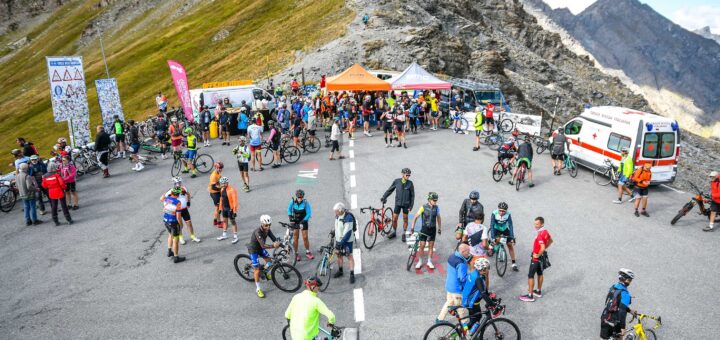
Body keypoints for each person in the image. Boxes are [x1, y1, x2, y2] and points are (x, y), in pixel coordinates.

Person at [462, 258, 502, 335]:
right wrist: (492, 304)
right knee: (474, 320)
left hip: (470, 300)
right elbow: (483, 293)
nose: (488, 270)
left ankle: (469, 333)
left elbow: (484, 290)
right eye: (487, 268)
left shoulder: (476, 273)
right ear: (483, 269)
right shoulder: (478, 279)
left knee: (477, 318)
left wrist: (491, 299)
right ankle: (463, 332)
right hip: (470, 302)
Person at [520, 217, 552, 302]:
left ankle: (530, 296)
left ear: (542, 224)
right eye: (535, 224)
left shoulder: (540, 235)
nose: (535, 226)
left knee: (530, 276)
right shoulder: (545, 231)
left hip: (536, 258)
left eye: (537, 224)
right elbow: (551, 240)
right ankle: (538, 291)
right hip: (542, 258)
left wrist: (537, 254)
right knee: (540, 273)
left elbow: (542, 247)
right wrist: (543, 250)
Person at [437, 243, 471, 323]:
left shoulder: (452, 256)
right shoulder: (461, 263)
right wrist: (470, 277)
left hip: (449, 285)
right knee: (460, 307)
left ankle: (439, 319)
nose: (469, 253)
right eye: (468, 251)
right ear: (462, 251)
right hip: (456, 289)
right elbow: (462, 278)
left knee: (449, 302)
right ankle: (465, 325)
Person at [248, 214, 280, 298]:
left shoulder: (267, 230)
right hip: (254, 250)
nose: (268, 227)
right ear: (262, 224)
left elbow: (274, 239)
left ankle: (264, 273)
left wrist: (282, 245)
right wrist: (274, 246)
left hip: (260, 249)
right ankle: (258, 289)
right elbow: (263, 245)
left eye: (269, 225)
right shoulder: (257, 232)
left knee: (269, 262)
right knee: (257, 270)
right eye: (266, 225)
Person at [600, 269, 637, 340]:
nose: (630, 282)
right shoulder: (625, 294)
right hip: (615, 321)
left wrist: (630, 311)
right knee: (619, 338)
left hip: (605, 317)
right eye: (629, 280)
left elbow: (616, 303)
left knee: (603, 338)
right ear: (624, 279)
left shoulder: (614, 286)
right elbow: (622, 311)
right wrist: (623, 328)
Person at [162, 177, 200, 244]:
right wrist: (170, 205)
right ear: (174, 184)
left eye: (180, 182)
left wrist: (188, 202)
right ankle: (181, 237)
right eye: (177, 183)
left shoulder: (184, 188)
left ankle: (193, 236)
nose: (179, 184)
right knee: (179, 225)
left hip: (184, 209)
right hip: (176, 211)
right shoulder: (171, 191)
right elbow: (162, 198)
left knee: (189, 223)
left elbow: (188, 195)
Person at [381, 168, 415, 242]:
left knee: (405, 219)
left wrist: (411, 206)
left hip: (406, 205)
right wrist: (384, 197)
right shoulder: (397, 181)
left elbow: (412, 196)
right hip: (398, 204)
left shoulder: (410, 183)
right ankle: (394, 232)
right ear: (402, 174)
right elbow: (390, 190)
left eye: (409, 175)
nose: (408, 176)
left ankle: (404, 233)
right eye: (407, 175)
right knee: (395, 218)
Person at [410, 192, 442, 269]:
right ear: (429, 200)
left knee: (431, 246)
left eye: (436, 200)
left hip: (432, 230)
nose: (435, 201)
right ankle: (420, 262)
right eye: (434, 200)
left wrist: (440, 228)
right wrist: (412, 227)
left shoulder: (437, 208)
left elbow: (438, 218)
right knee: (422, 246)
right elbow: (415, 217)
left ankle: (429, 262)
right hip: (424, 229)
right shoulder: (423, 207)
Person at [332, 202, 356, 284]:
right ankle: (340, 271)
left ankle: (352, 274)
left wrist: (340, 243)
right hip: (339, 240)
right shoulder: (337, 216)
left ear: (340, 210)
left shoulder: (348, 218)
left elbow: (347, 233)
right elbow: (337, 226)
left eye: (336, 211)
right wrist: (334, 232)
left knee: (349, 256)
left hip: (347, 241)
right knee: (339, 255)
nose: (335, 212)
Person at [490, 202, 518, 272]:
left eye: (503, 211)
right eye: (500, 210)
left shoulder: (508, 214)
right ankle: (492, 245)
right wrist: (493, 237)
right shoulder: (494, 213)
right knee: (496, 241)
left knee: (509, 245)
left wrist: (512, 237)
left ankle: (514, 263)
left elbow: (510, 225)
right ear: (498, 209)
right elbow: (492, 225)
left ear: (506, 211)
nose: (501, 212)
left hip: (505, 229)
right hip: (496, 229)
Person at [288, 189, 314, 262]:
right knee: (296, 237)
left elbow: (309, 213)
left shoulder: (306, 203)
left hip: (303, 221)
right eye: (299, 197)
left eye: (301, 197)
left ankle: (308, 252)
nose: (300, 199)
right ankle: (296, 253)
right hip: (295, 221)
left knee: (305, 237)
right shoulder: (292, 202)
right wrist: (290, 217)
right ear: (296, 197)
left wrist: (303, 221)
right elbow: (289, 210)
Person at [162, 187, 186, 264]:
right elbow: (178, 217)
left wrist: (168, 190)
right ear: (178, 194)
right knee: (176, 239)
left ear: (171, 192)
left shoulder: (167, 198)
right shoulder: (177, 202)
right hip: (174, 223)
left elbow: (161, 198)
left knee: (170, 234)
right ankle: (176, 257)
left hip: (166, 220)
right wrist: (181, 224)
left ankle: (169, 251)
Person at [216, 176, 239, 244]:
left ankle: (235, 236)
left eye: (223, 183)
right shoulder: (222, 189)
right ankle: (224, 235)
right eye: (221, 183)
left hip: (230, 209)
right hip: (224, 208)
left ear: (226, 183)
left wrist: (234, 211)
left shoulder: (232, 190)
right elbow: (221, 199)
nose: (222, 185)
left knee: (233, 222)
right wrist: (220, 209)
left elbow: (235, 201)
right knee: (225, 221)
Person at [208, 162, 224, 228]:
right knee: (218, 208)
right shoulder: (213, 175)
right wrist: (222, 189)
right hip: (214, 193)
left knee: (217, 208)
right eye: (219, 168)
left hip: (216, 192)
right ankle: (219, 222)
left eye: (221, 168)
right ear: (216, 168)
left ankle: (215, 220)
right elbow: (213, 187)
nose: (221, 169)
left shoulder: (218, 173)